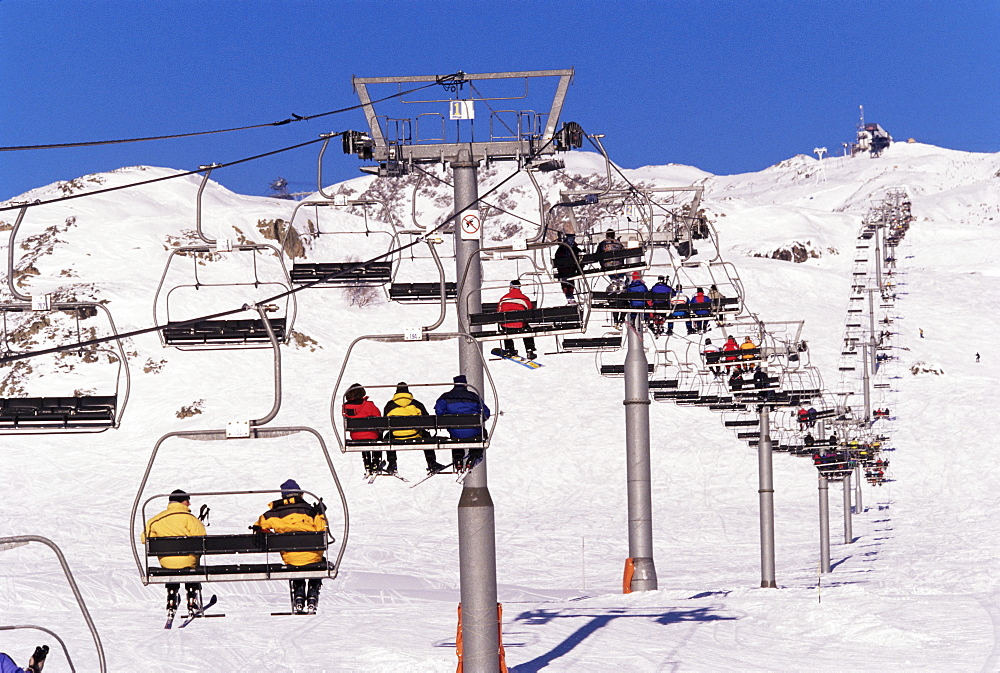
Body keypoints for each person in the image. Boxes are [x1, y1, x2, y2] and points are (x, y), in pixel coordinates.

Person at [254, 479, 328, 614]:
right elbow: (322, 530)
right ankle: (312, 595)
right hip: (313, 557)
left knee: (295, 562)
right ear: (299, 494)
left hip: (290, 558)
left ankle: (299, 595)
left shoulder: (274, 513)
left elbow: (259, 525)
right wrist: (321, 513)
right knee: (317, 561)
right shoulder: (310, 511)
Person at [142, 489, 207, 617]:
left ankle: (171, 600)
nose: (189, 504)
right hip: (189, 562)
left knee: (173, 566)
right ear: (181, 502)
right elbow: (202, 539)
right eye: (187, 501)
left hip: (167, 563)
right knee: (190, 566)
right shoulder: (190, 519)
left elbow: (145, 538)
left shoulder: (156, 520)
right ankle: (192, 600)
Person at [434, 374, 491, 470]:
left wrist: (448, 417)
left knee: (455, 437)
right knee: (482, 434)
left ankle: (458, 457)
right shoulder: (474, 397)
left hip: (455, 432)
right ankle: (474, 456)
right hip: (474, 431)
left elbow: (439, 412)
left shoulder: (445, 397)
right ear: (465, 385)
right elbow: (486, 413)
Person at [383, 382, 433, 473]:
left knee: (387, 437)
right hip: (415, 434)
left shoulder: (389, 405)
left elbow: (385, 423)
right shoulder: (416, 404)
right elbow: (427, 420)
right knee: (426, 435)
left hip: (396, 436)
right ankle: (431, 462)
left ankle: (392, 462)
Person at [342, 383, 384, 476]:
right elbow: (379, 418)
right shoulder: (368, 405)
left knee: (362, 436)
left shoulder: (346, 407)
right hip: (371, 436)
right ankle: (375, 462)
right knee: (376, 436)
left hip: (355, 436)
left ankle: (367, 464)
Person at [498, 280, 537, 359]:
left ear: (511, 287)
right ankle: (529, 350)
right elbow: (529, 310)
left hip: (506, 326)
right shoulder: (524, 298)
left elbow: (499, 312)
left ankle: (509, 349)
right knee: (527, 329)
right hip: (520, 325)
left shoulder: (504, 298)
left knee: (506, 328)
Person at [552, 233, 582, 303]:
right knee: (569, 279)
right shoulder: (571, 248)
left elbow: (557, 258)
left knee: (566, 280)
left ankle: (569, 295)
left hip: (565, 270)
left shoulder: (562, 247)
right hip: (569, 269)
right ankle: (569, 295)